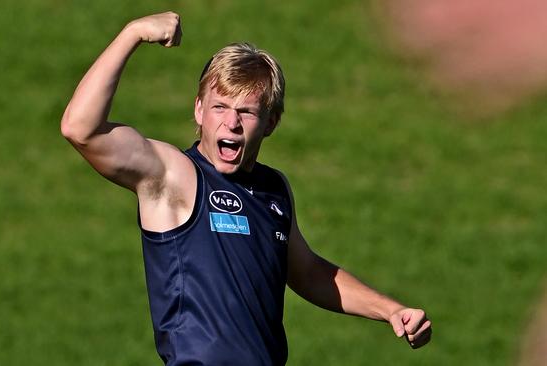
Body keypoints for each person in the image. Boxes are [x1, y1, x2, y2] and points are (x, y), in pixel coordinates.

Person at [61, 11, 432, 365]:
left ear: (271, 122)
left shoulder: (274, 190)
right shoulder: (174, 175)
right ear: (199, 110)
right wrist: (133, 33)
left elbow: (307, 272)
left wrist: (390, 310)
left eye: (247, 112)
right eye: (220, 107)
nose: (231, 124)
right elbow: (81, 128)